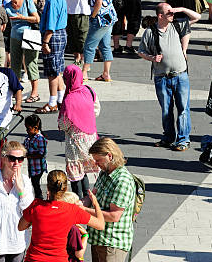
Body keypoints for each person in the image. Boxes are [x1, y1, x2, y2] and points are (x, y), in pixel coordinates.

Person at [138, 3, 201, 151]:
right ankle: (168, 137)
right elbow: (141, 51)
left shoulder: (177, 25)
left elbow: (197, 17)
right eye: (169, 13)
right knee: (166, 110)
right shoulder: (150, 32)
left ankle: (183, 140)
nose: (173, 14)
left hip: (180, 75)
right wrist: (152, 58)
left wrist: (182, 9)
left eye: (173, 12)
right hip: (161, 77)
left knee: (183, 108)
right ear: (160, 16)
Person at [18, 170, 105, 262]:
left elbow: (20, 227)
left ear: (48, 187)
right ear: (66, 189)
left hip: (34, 259)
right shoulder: (72, 210)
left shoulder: (36, 206)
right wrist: (95, 203)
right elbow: (101, 225)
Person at [86, 138, 136, 261]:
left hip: (112, 243)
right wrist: (74, 203)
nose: (96, 163)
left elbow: (114, 216)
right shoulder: (104, 173)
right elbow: (91, 197)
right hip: (98, 239)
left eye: (98, 160)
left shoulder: (122, 180)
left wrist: (83, 211)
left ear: (109, 156)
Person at [59, 64, 100, 198]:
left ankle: (79, 200)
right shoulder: (89, 90)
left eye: (65, 78)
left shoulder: (69, 99)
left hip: (75, 142)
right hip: (91, 138)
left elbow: (64, 124)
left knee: (76, 174)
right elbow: (96, 110)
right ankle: (88, 198)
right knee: (84, 170)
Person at [4, 0, 40, 101]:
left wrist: (22, 17)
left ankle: (35, 93)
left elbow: (37, 19)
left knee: (31, 64)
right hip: (15, 37)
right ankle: (16, 92)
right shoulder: (7, 6)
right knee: (15, 65)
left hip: (30, 35)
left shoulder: (27, 1)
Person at [36, 0, 67, 114]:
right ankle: (61, 99)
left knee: (52, 71)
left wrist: (45, 42)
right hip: (60, 34)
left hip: (53, 36)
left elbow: (51, 24)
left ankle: (53, 102)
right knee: (57, 69)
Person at [82, 0, 117, 82]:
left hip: (100, 18)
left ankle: (84, 72)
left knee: (89, 45)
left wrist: (93, 16)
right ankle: (106, 73)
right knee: (105, 45)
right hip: (109, 16)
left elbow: (98, 2)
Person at [23, 114, 47, 199]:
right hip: (32, 167)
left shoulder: (40, 139)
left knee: (36, 184)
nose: (27, 131)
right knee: (34, 184)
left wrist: (29, 155)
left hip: (38, 168)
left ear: (36, 128)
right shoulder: (29, 138)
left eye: (28, 129)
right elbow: (24, 147)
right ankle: (37, 198)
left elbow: (42, 153)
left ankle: (39, 198)